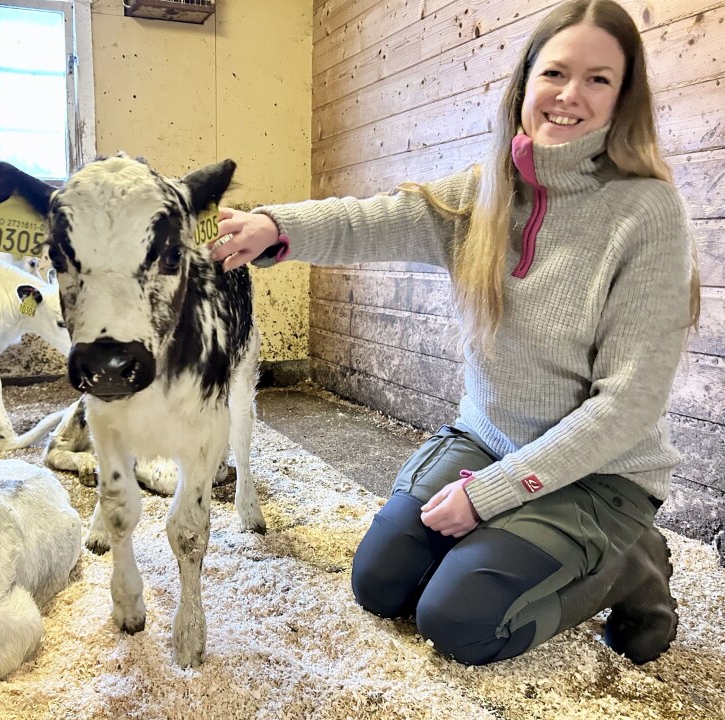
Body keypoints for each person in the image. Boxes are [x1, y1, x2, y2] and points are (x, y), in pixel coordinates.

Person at [209, 0, 700, 667]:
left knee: (459, 622)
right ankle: (513, 540)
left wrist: (487, 496)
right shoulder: (485, 192)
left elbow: (627, 406)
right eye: (555, 73)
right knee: (380, 584)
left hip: (598, 473)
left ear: (623, 96)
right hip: (489, 439)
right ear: (525, 81)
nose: (569, 95)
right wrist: (276, 226)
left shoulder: (646, 212)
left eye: (598, 79)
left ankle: (631, 564)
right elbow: (378, 219)